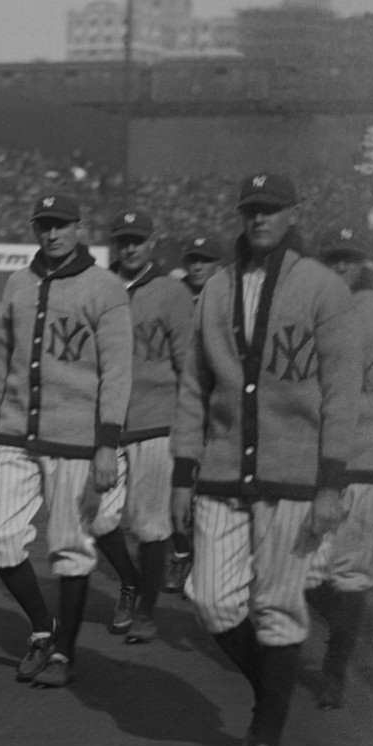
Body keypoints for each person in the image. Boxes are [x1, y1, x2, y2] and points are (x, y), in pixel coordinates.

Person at [170, 173, 358, 746]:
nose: (259, 220)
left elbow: (340, 394)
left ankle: (265, 740)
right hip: (223, 470)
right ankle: (271, 691)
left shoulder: (323, 288)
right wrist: (182, 473)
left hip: (295, 475)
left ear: (292, 214)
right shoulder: (217, 288)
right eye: (251, 210)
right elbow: (196, 387)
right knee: (212, 599)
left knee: (276, 608)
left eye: (271, 210)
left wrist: (331, 482)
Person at [0, 189, 133, 688]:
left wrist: (107, 442)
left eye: (61, 224)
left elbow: (117, 371)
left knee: (69, 545)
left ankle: (63, 654)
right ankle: (43, 629)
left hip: (77, 440)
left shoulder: (105, 288)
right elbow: (4, 362)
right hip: (17, 433)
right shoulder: (17, 284)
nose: (52, 232)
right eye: (44, 224)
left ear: (79, 228)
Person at [92, 208, 193, 644]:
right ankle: (131, 582)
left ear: (152, 242)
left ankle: (147, 612)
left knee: (151, 524)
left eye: (137, 239)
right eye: (123, 239)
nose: (129, 246)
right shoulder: (97, 287)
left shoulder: (171, 292)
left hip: (157, 421)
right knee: (94, 520)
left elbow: (188, 364)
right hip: (107, 425)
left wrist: (191, 427)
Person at [306, 226, 373, 709]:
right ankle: (345, 643)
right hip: (322, 458)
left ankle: (336, 671)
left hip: (365, 456)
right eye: (333, 258)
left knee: (347, 572)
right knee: (308, 572)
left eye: (350, 259)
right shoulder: (325, 305)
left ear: (367, 264)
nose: (340, 267)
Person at [164, 233, 225, 593]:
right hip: (176, 405)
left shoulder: (227, 296)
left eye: (206, 259)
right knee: (176, 485)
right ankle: (183, 554)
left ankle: (208, 559)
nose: (198, 266)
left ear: (219, 264)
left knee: (213, 489)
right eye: (193, 260)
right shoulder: (176, 295)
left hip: (217, 406)